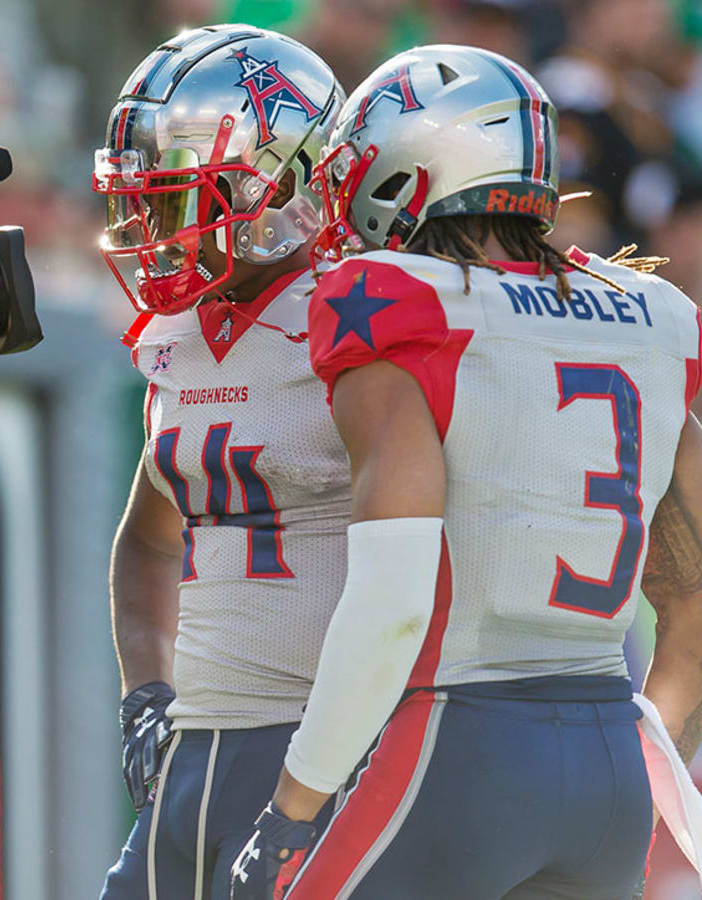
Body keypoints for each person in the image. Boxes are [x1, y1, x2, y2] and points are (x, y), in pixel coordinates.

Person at [230, 44, 702, 899]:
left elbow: (393, 602)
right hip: (607, 759)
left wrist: (291, 809)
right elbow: (698, 589)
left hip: (462, 738)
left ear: (403, 169)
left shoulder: (401, 303)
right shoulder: (653, 316)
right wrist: (643, 748)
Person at [90, 25, 349, 899]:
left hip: (327, 749)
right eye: (139, 202)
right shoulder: (176, 334)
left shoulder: (363, 318)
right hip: (200, 743)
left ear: (276, 186)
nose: (147, 232)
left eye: (171, 202)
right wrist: (145, 694)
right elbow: (150, 542)